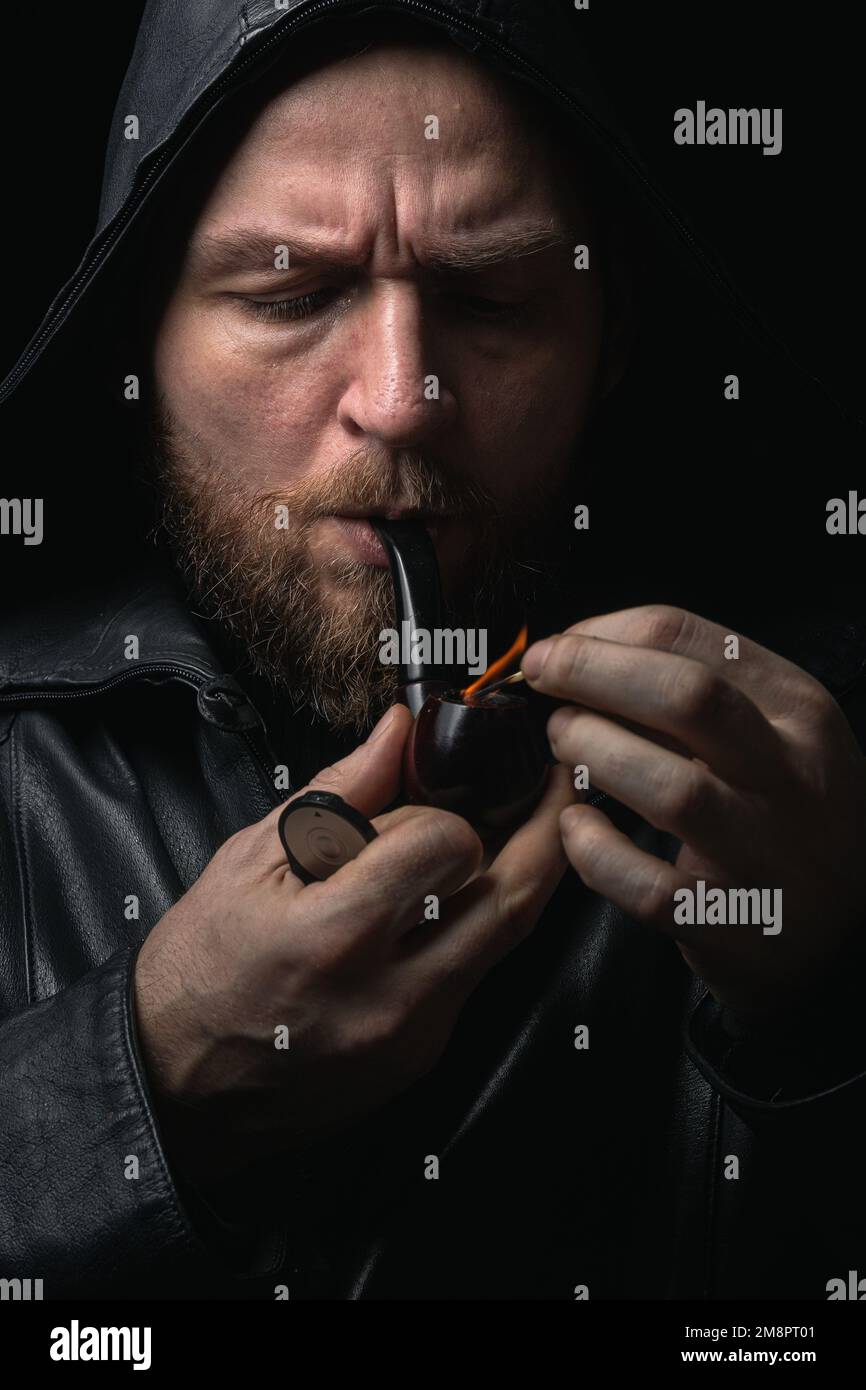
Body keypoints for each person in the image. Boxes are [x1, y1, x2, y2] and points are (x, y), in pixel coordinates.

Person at [1, 0, 864, 1302]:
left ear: (608, 341)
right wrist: (142, 1080)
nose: (402, 399)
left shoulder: (813, 767)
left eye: (490, 298)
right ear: (141, 337)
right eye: (291, 292)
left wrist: (826, 1009)